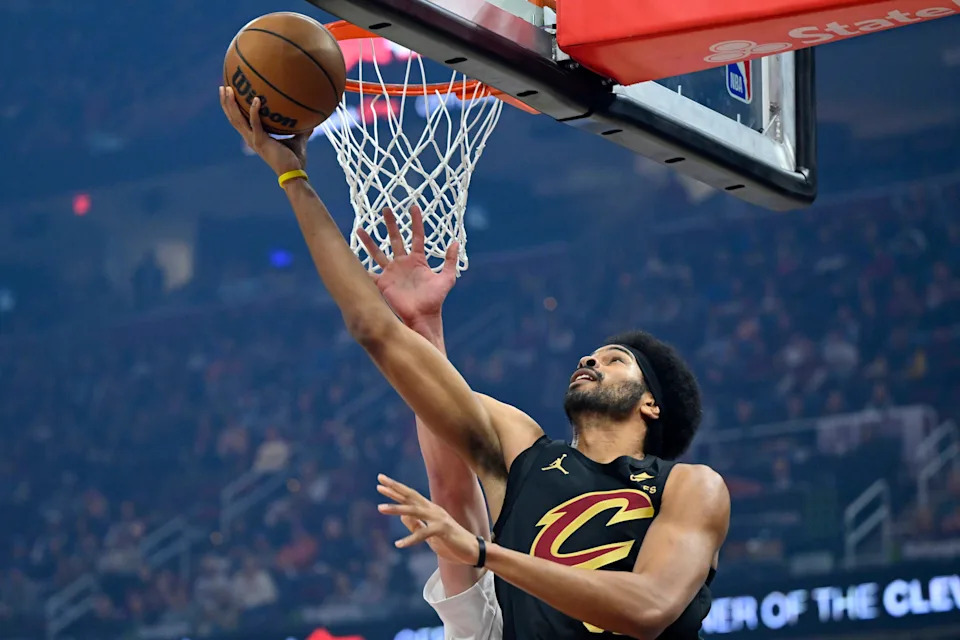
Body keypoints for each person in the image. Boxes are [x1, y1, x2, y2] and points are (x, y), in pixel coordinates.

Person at [220, 88, 730, 640]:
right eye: (592, 353)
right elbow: (376, 332)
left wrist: (485, 553)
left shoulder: (688, 486)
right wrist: (293, 178)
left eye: (614, 360)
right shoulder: (525, 454)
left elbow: (649, 608)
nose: (591, 358)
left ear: (651, 403)